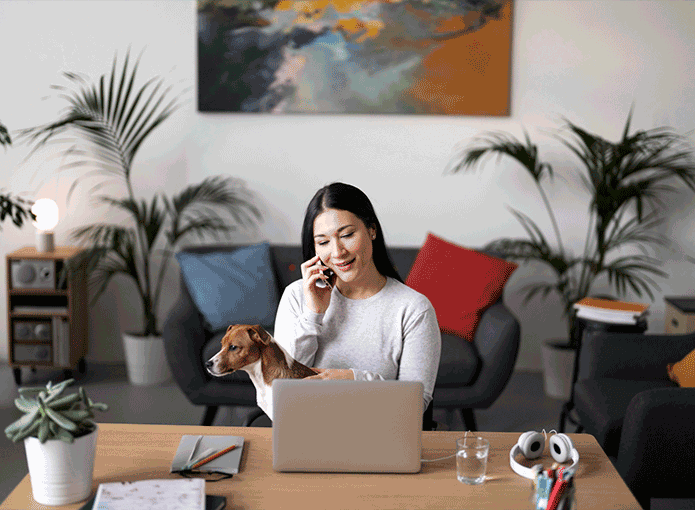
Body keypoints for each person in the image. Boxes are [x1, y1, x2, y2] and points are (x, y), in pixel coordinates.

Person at [273, 182, 441, 413]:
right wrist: (313, 314)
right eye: (323, 242)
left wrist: (352, 381)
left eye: (347, 235)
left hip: (383, 435)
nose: (338, 252)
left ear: (372, 230)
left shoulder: (413, 308)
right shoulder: (296, 296)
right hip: (309, 431)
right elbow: (281, 387)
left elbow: (415, 403)